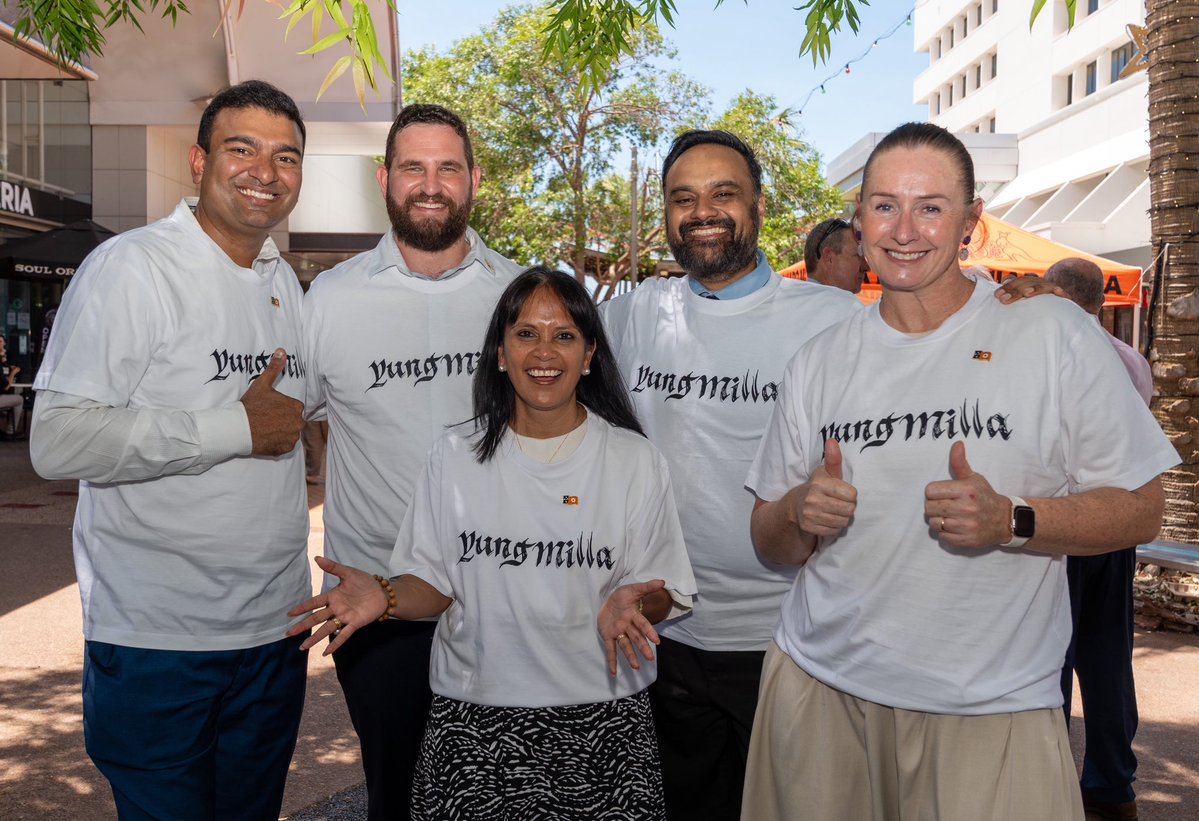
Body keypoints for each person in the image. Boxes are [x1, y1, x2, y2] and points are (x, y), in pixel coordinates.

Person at [745, 122, 1177, 820]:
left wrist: (1013, 519)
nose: (904, 228)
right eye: (884, 205)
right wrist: (796, 511)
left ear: (970, 221)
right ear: (858, 222)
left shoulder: (1049, 332)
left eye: (931, 206)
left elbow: (1140, 506)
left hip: (989, 709)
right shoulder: (818, 360)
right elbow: (767, 540)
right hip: (820, 695)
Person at [290, 267, 696, 820]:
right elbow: (432, 583)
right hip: (474, 723)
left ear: (590, 354)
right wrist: (384, 595)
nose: (544, 351)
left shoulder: (634, 460)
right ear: (501, 354)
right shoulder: (454, 454)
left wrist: (637, 603)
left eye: (565, 335)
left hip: (603, 723)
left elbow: (667, 589)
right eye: (526, 333)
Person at [29, 80, 310, 821]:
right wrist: (234, 427)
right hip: (160, 640)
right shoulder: (132, 269)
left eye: (286, 156)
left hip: (273, 631)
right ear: (198, 161)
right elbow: (57, 440)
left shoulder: (287, 284)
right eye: (240, 148)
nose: (264, 170)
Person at [600, 130, 864, 820]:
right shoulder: (631, 314)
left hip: (791, 639)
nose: (701, 211)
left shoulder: (833, 319)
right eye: (682, 197)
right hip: (663, 637)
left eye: (723, 193)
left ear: (758, 204)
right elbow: (531, 339)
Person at [301, 103, 523, 820]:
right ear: (384, 179)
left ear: (474, 181)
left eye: (447, 168)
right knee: (396, 795)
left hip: (510, 599)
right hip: (379, 607)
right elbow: (280, 424)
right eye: (412, 167)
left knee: (503, 794)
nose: (431, 184)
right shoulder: (328, 299)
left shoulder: (521, 296)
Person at [1047, 256, 1151, 820]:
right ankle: (1113, 783)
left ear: (1059, 294)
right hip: (1119, 528)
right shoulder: (1132, 360)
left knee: (1051, 659)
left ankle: (1053, 781)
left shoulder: (1056, 351)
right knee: (1109, 662)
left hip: (1065, 525)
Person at [804, 216, 869, 293]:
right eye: (858, 255)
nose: (866, 267)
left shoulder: (795, 299)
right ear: (829, 258)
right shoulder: (836, 303)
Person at [0, 336, 23, 437]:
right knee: (19, 399)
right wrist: (13, 372)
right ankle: (11, 431)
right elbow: (5, 386)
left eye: (0, 341)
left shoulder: (5, 357)